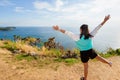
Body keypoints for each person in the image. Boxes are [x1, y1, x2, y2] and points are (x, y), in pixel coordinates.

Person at [52, 15, 112, 80]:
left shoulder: (76, 36)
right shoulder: (91, 35)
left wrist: (58, 29)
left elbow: (67, 32)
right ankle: (109, 63)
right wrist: (105, 20)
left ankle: (85, 78)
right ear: (87, 30)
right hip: (91, 51)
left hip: (83, 53)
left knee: (86, 67)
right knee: (99, 58)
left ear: (81, 30)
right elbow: (98, 27)